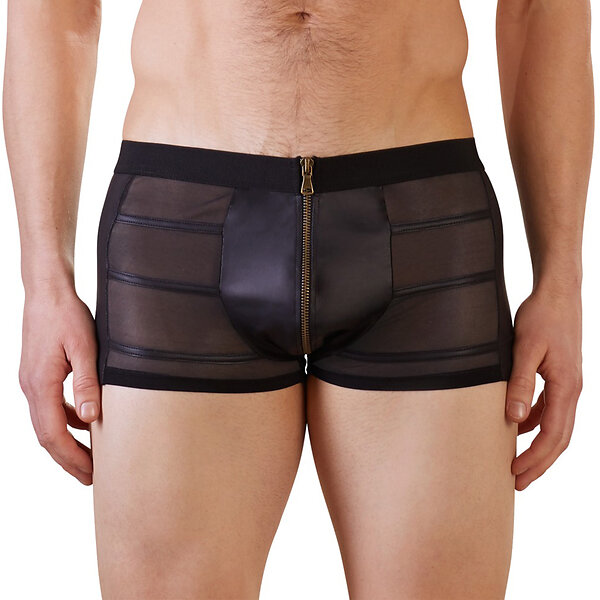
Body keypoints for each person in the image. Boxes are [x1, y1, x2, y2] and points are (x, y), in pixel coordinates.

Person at [4, 1, 592, 598]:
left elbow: (539, 8)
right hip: (182, 221)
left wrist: (561, 281)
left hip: (424, 223)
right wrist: (44, 281)